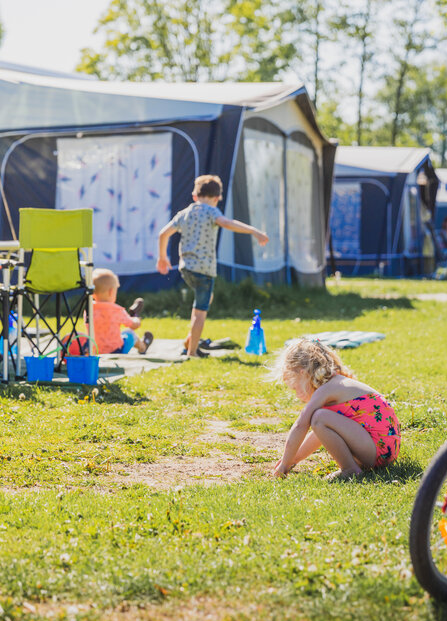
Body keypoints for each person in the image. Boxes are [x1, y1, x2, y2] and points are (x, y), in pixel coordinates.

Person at [156, 174, 268, 357]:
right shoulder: (211, 211)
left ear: (195, 196)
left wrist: (162, 257)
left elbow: (163, 234)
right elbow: (227, 223)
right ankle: (191, 352)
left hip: (186, 268)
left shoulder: (184, 213)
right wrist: (254, 231)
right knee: (200, 312)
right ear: (217, 198)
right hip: (204, 270)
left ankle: (189, 340)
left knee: (204, 301)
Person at [271, 339, 400, 481]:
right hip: (383, 451)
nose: (297, 394)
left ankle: (350, 469)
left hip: (376, 450)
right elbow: (318, 434)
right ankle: (353, 466)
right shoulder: (335, 384)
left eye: (295, 387)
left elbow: (300, 425)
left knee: (319, 417)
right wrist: (293, 459)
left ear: (303, 374)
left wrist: (284, 464)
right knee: (320, 419)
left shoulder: (327, 389)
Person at [89, 268, 152, 354]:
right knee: (130, 334)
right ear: (111, 292)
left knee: (121, 334)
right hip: (116, 350)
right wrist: (136, 320)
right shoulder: (116, 310)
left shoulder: (89, 308)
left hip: (94, 350)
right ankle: (143, 347)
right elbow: (133, 325)